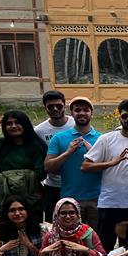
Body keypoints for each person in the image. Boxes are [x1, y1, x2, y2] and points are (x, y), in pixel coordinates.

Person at [82, 100, 128, 250]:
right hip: (110, 202)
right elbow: (85, 166)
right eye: (125, 116)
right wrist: (111, 163)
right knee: (105, 247)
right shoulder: (106, 139)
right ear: (119, 117)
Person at [0, 109, 47, 215]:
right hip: (4, 196)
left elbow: (41, 173)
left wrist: (14, 182)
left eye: (17, 122)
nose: (13, 126)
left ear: (25, 124)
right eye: (9, 123)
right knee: (6, 228)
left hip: (30, 196)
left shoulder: (37, 146)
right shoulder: (0, 145)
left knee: (32, 228)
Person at [45, 96, 102, 228]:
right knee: (71, 239)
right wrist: (68, 152)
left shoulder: (101, 138)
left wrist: (93, 153)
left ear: (91, 113)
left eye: (86, 110)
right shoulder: (59, 138)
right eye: (77, 110)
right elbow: (48, 166)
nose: (82, 113)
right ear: (72, 113)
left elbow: (109, 168)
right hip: (70, 200)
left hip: (97, 199)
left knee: (97, 241)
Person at [34, 90, 70, 222]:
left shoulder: (75, 125)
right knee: (52, 222)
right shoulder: (39, 131)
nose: (55, 109)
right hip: (52, 184)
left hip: (75, 183)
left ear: (64, 106)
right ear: (45, 108)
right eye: (50, 106)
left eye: (59, 106)